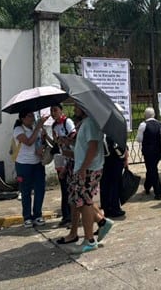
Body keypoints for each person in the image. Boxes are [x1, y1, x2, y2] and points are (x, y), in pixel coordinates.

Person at [57, 103, 114, 253]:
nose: (74, 109)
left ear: (84, 108)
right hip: (85, 168)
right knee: (82, 202)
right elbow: (83, 147)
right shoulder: (85, 124)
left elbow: (93, 147)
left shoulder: (90, 123)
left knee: (85, 203)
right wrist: (68, 144)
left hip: (88, 169)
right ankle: (100, 224)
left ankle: (89, 239)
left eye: (76, 106)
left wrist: (83, 168)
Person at [13, 109, 48, 228]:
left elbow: (39, 143)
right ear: (22, 119)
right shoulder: (18, 130)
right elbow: (28, 142)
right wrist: (38, 127)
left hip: (37, 163)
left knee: (40, 189)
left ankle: (37, 215)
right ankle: (27, 217)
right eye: (29, 116)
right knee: (26, 191)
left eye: (33, 116)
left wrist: (43, 139)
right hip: (23, 164)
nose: (32, 118)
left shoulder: (35, 128)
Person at [50, 103, 76, 228]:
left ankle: (72, 217)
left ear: (61, 111)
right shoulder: (54, 126)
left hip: (71, 158)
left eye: (55, 110)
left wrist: (63, 140)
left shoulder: (67, 122)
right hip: (61, 158)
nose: (53, 113)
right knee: (64, 189)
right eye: (51, 111)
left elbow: (73, 136)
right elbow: (56, 144)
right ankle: (66, 216)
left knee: (71, 189)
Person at [137, 107, 161, 200]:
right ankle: (147, 186)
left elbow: (139, 139)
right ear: (154, 115)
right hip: (158, 151)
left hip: (148, 151)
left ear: (145, 115)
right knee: (151, 168)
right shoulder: (160, 123)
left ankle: (158, 192)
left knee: (152, 170)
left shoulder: (143, 125)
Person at [100, 132, 128, 218]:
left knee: (104, 185)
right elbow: (121, 147)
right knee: (115, 185)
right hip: (115, 161)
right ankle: (115, 209)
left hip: (103, 162)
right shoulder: (114, 132)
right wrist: (125, 158)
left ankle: (106, 209)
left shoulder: (99, 132)